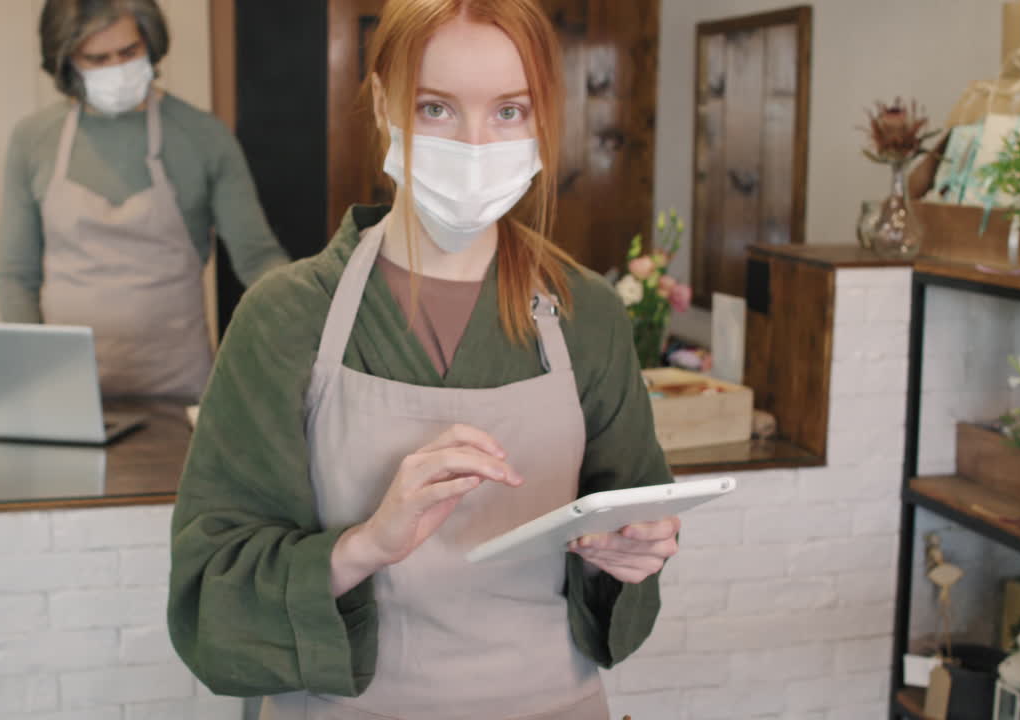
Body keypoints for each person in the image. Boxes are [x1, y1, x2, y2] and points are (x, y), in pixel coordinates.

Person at [167, 1, 680, 717]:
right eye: (436, 108)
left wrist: (633, 553)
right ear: (384, 103)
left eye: (508, 112)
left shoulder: (585, 314)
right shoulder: (287, 318)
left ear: (543, 118)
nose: (474, 146)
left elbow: (630, 537)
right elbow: (209, 582)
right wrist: (364, 545)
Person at [0, 0, 288, 403]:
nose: (117, 68)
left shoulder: (204, 137)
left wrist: (305, 311)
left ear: (150, 44)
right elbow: (15, 275)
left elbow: (257, 259)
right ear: (66, 62)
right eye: (97, 58)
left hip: (178, 385)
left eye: (129, 53)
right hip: (65, 387)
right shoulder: (33, 139)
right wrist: (33, 374)